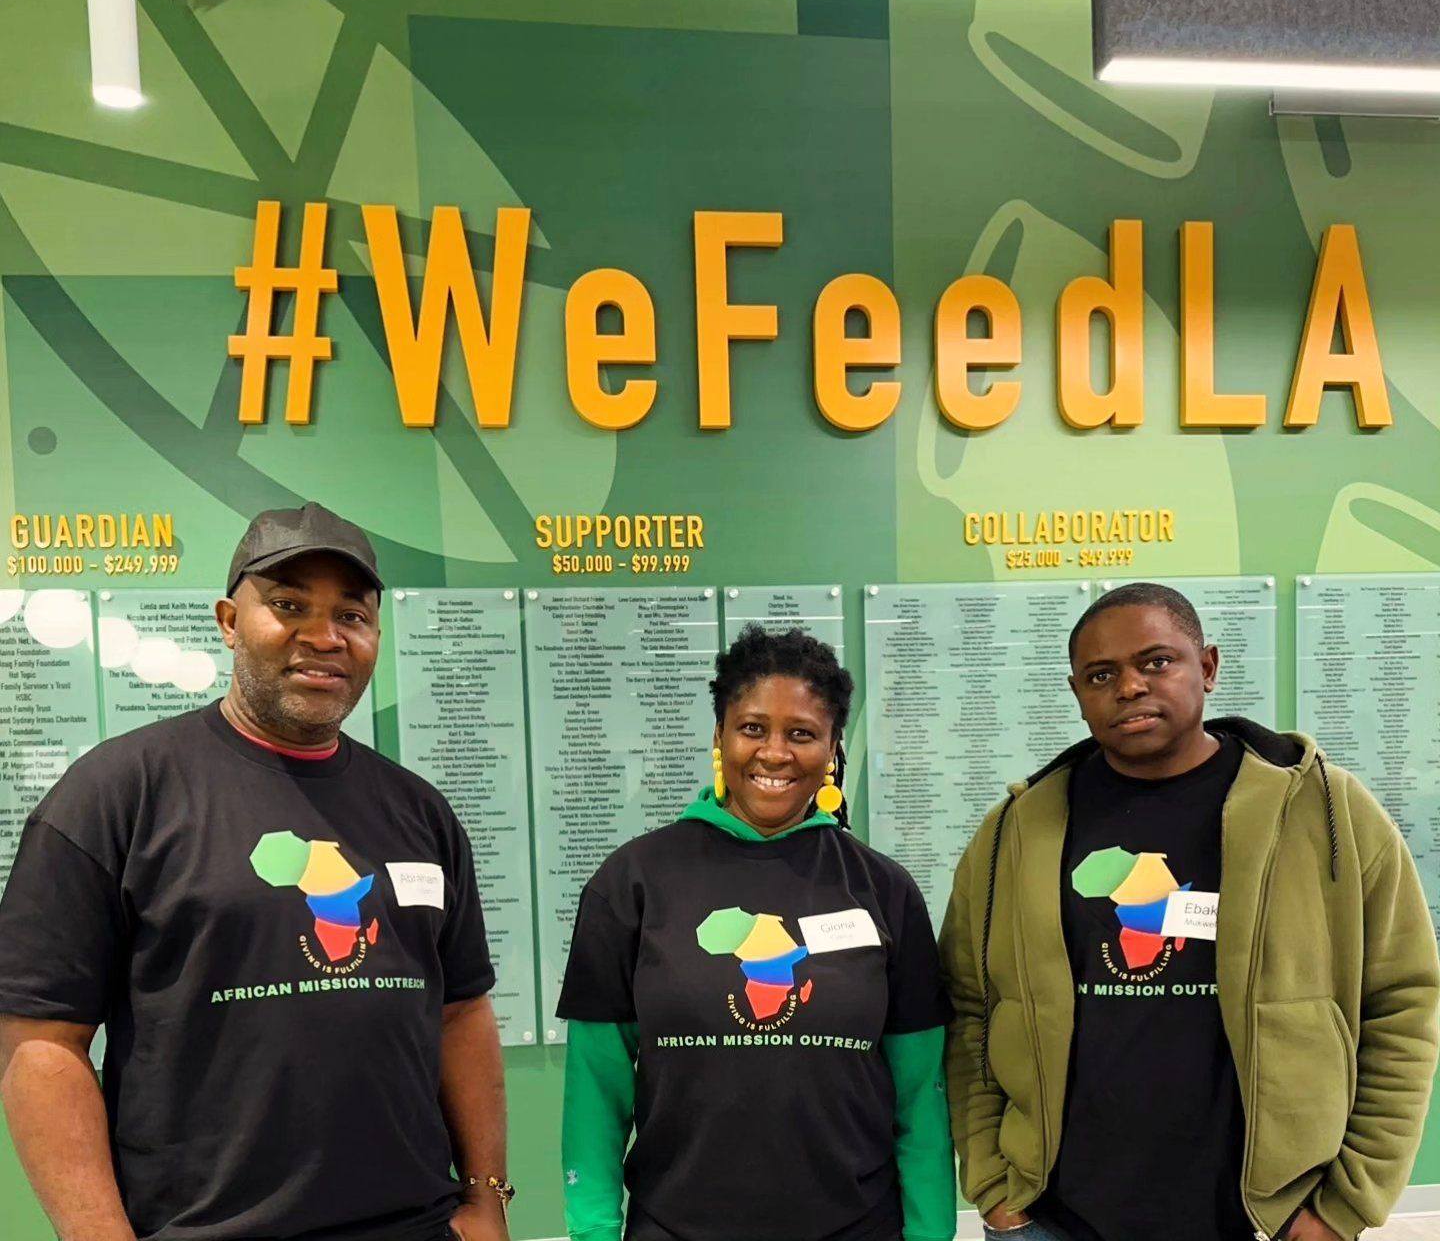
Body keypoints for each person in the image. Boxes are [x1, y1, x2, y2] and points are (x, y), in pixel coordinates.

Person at [0, 502, 511, 1241]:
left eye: (352, 615)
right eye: (289, 606)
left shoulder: (418, 810)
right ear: (230, 622)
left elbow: (461, 1012)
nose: (325, 637)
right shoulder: (116, 796)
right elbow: (42, 1042)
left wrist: (486, 1200)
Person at [940, 581, 1440, 1241]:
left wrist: (1343, 1203)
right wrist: (995, 1186)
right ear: (1076, 693)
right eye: (1101, 674)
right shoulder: (1017, 830)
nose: (1129, 687)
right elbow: (970, 1007)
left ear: (1207, 666)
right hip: (1054, 1217)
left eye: (1156, 661)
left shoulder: (1326, 811)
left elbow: (1403, 1001)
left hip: (1267, 1217)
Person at [557, 625, 957, 1241]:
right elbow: (596, 1087)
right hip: (676, 1228)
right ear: (719, 736)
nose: (774, 753)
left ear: (833, 748)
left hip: (857, 1227)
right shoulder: (632, 882)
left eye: (802, 733)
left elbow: (920, 1094)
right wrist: (594, 1230)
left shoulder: (883, 889)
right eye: (752, 728)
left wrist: (931, 1232)